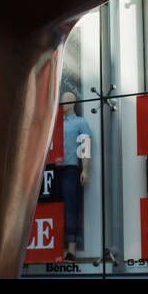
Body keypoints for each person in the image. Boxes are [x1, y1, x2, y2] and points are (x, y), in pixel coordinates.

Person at [57, 91, 91, 263]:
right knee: (56, 208)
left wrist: (85, 169)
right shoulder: (55, 124)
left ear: (73, 103)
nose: (63, 105)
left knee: (71, 208)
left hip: (71, 170)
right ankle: (57, 248)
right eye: (61, 102)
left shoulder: (80, 122)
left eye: (66, 102)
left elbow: (85, 146)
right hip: (54, 170)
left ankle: (70, 249)